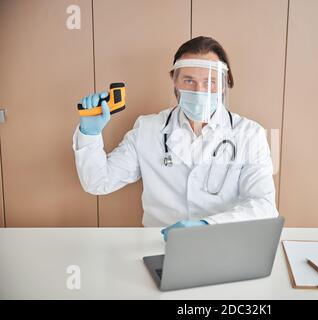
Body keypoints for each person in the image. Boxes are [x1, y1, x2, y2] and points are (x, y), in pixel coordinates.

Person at [72, 36, 278, 241]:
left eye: (210, 82)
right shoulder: (148, 129)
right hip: (159, 245)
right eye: (189, 80)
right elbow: (98, 182)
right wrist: (89, 134)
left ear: (224, 84)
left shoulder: (250, 134)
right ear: (174, 81)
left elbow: (264, 206)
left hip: (222, 243)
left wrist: (207, 226)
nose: (199, 91)